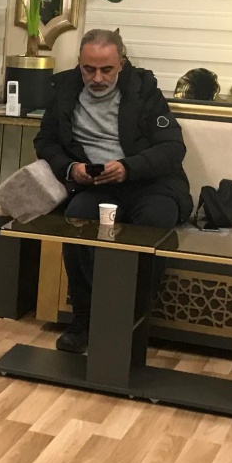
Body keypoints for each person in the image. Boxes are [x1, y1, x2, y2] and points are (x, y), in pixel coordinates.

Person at [34, 29, 192, 354]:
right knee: (76, 220)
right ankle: (84, 320)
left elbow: (173, 148)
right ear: (79, 63)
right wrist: (71, 168)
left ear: (121, 62)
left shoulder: (144, 89)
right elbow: (45, 141)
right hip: (97, 185)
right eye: (89, 69)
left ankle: (130, 323)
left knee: (154, 224)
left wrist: (129, 167)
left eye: (106, 70)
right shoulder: (64, 90)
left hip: (149, 184)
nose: (97, 78)